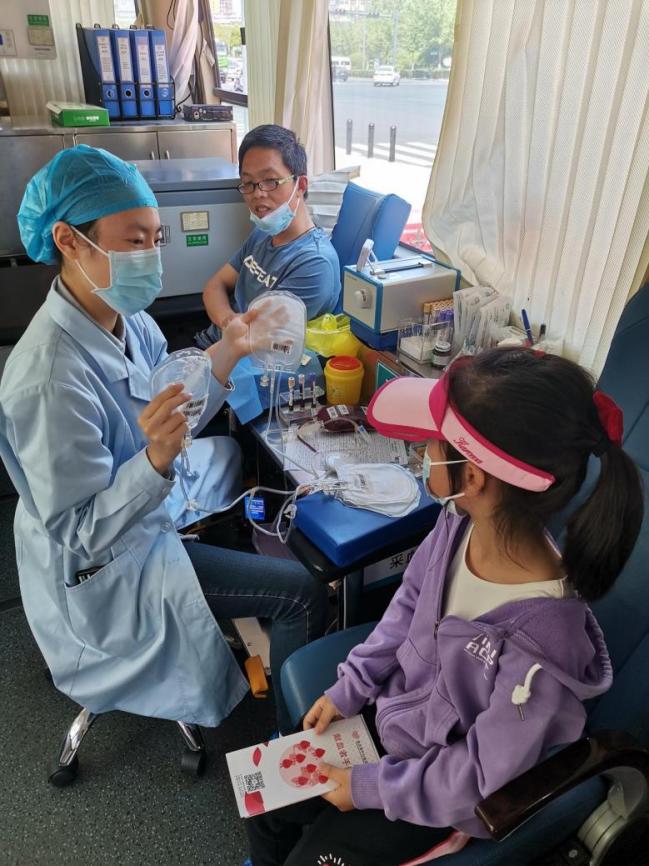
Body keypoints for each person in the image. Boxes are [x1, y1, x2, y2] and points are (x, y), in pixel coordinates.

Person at [244, 347, 643, 866]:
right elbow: (408, 604)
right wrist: (353, 685)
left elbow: (480, 776)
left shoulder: (546, 644)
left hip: (438, 794)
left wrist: (368, 788)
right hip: (396, 718)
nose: (423, 454)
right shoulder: (457, 523)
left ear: (472, 476)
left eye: (431, 445)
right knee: (266, 798)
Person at [0, 145, 327, 735]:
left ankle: (229, 597)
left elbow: (176, 401)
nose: (151, 257)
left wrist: (233, 346)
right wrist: (154, 460)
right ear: (69, 241)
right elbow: (81, 529)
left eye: (157, 239)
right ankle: (289, 751)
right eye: (133, 241)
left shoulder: (126, 318)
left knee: (229, 457)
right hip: (104, 561)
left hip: (138, 510)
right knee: (302, 593)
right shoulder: (49, 380)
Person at [198, 124, 341, 349]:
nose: (258, 193)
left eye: (270, 181)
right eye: (248, 183)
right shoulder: (263, 233)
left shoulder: (314, 264)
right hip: (212, 340)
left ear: (301, 185)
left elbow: (255, 341)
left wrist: (229, 328)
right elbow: (214, 286)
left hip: (240, 360)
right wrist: (228, 321)